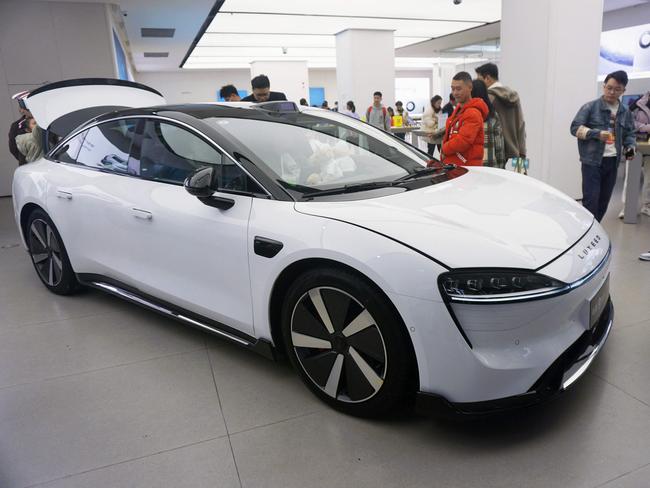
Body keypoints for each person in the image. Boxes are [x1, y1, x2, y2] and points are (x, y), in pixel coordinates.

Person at [570, 70, 637, 222]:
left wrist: (630, 146)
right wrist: (596, 134)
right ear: (604, 86)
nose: (612, 92)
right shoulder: (590, 107)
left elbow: (630, 133)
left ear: (623, 90)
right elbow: (574, 128)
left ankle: (595, 230)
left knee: (603, 202)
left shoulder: (625, 111)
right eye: (609, 87)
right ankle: (588, 232)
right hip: (592, 162)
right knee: (590, 201)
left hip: (612, 162)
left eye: (617, 89)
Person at [475, 62, 527, 160]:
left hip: (495, 149)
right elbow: (521, 123)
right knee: (515, 175)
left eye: (479, 80)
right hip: (513, 147)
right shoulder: (514, 95)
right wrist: (522, 152)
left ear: (487, 78)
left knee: (493, 174)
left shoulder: (489, 98)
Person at [441, 72, 488, 166]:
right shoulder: (459, 111)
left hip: (467, 169)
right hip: (456, 167)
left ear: (470, 87)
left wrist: (444, 148)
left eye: (458, 89)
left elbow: (463, 141)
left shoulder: (473, 113)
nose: (455, 93)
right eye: (452, 89)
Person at [619, 91, 650, 218]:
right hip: (632, 143)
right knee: (630, 177)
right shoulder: (636, 104)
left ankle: (647, 206)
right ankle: (626, 208)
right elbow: (628, 122)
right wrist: (647, 127)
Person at [472, 79, 506, 168]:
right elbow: (499, 145)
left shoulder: (464, 116)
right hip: (490, 167)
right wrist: (501, 167)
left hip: (471, 168)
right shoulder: (492, 115)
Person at [8, 93, 31, 166]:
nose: (21, 110)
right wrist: (24, 159)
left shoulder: (44, 122)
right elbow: (13, 148)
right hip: (28, 165)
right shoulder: (16, 126)